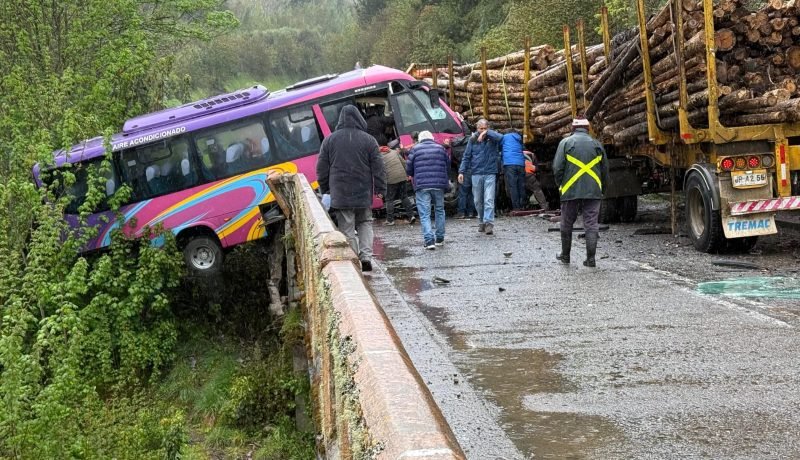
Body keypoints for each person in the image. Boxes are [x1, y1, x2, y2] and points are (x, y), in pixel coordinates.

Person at [317, 105, 386, 272]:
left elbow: (321, 168)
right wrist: (380, 189)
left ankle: (354, 258)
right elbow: (379, 167)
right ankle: (366, 257)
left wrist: (326, 188)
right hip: (363, 191)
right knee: (365, 222)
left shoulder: (330, 140)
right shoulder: (369, 140)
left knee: (347, 226)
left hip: (341, 192)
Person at [554, 116, 608, 267]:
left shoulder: (565, 143)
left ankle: (565, 256)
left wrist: (561, 185)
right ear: (588, 129)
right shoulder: (597, 144)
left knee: (566, 222)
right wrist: (602, 189)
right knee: (591, 223)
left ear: (572, 129)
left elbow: (557, 168)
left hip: (570, 191)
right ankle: (591, 259)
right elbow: (605, 170)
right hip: (593, 191)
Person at [457, 119, 503, 235]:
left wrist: (486, 133)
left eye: (484, 128)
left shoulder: (493, 138)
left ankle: (489, 223)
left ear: (488, 128)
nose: (482, 130)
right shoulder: (472, 141)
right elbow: (466, 157)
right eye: (480, 129)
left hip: (490, 172)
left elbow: (501, 137)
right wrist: (461, 171)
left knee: (488, 199)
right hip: (476, 173)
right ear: (476, 129)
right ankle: (481, 221)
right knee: (478, 201)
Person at [407, 131, 449, 249]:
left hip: (422, 186)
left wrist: (413, 175)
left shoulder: (415, 149)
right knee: (439, 210)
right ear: (432, 138)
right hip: (439, 184)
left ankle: (429, 241)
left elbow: (409, 168)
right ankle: (440, 238)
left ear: (420, 139)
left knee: (425, 213)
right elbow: (448, 165)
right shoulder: (440, 148)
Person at [381, 140, 416, 225]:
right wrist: (408, 174)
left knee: (389, 199)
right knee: (404, 196)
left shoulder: (379, 157)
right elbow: (404, 162)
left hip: (391, 179)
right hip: (402, 176)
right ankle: (411, 216)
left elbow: (380, 171)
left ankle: (390, 220)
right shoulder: (394, 152)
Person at [501, 128, 527, 211]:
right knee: (521, 185)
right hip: (520, 163)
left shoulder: (504, 137)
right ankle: (523, 205)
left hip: (509, 164)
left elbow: (499, 148)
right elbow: (523, 148)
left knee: (513, 186)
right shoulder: (519, 138)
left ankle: (516, 207)